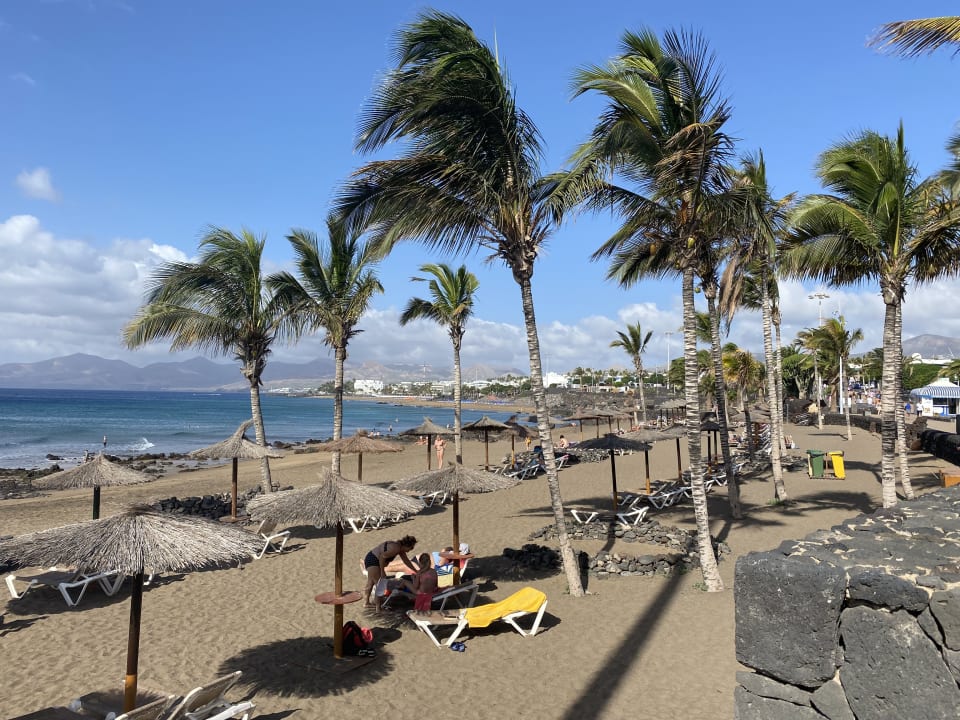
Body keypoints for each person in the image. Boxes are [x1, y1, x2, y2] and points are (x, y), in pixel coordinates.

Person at [363, 535, 418, 610]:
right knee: (380, 585)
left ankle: (366, 603)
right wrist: (382, 571)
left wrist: (416, 571)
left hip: (371, 558)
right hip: (374, 560)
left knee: (371, 583)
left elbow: (406, 561)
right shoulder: (395, 548)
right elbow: (381, 558)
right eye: (411, 548)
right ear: (406, 545)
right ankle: (378, 608)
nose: (410, 550)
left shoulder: (399, 548)